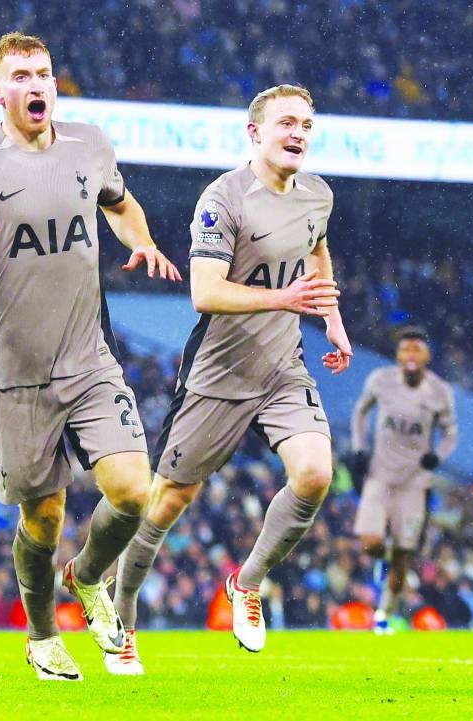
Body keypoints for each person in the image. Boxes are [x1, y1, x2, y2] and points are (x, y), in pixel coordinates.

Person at [0, 32, 181, 681]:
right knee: (44, 514)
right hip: (19, 369)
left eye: (45, 73)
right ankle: (40, 634)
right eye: (22, 76)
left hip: (90, 358)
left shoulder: (90, 144)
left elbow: (120, 202)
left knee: (134, 491)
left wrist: (140, 240)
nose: (37, 85)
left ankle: (86, 577)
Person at [108, 84, 352, 674]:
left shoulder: (317, 194)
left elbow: (317, 252)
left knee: (317, 474)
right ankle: (120, 615)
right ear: (255, 133)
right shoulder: (223, 199)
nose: (298, 133)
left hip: (283, 368)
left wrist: (332, 319)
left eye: (307, 124)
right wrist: (284, 297)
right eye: (287, 122)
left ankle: (247, 584)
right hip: (218, 373)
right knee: (169, 502)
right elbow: (204, 293)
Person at [350, 326, 457, 634]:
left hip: (414, 484)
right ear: (398, 354)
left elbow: (451, 433)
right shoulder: (381, 381)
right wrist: (359, 447)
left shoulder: (439, 392)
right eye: (405, 349)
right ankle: (381, 553)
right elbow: (360, 412)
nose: (411, 355)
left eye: (417, 349)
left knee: (402, 555)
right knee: (370, 542)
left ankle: (385, 612)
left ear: (427, 355)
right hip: (380, 477)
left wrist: (438, 455)